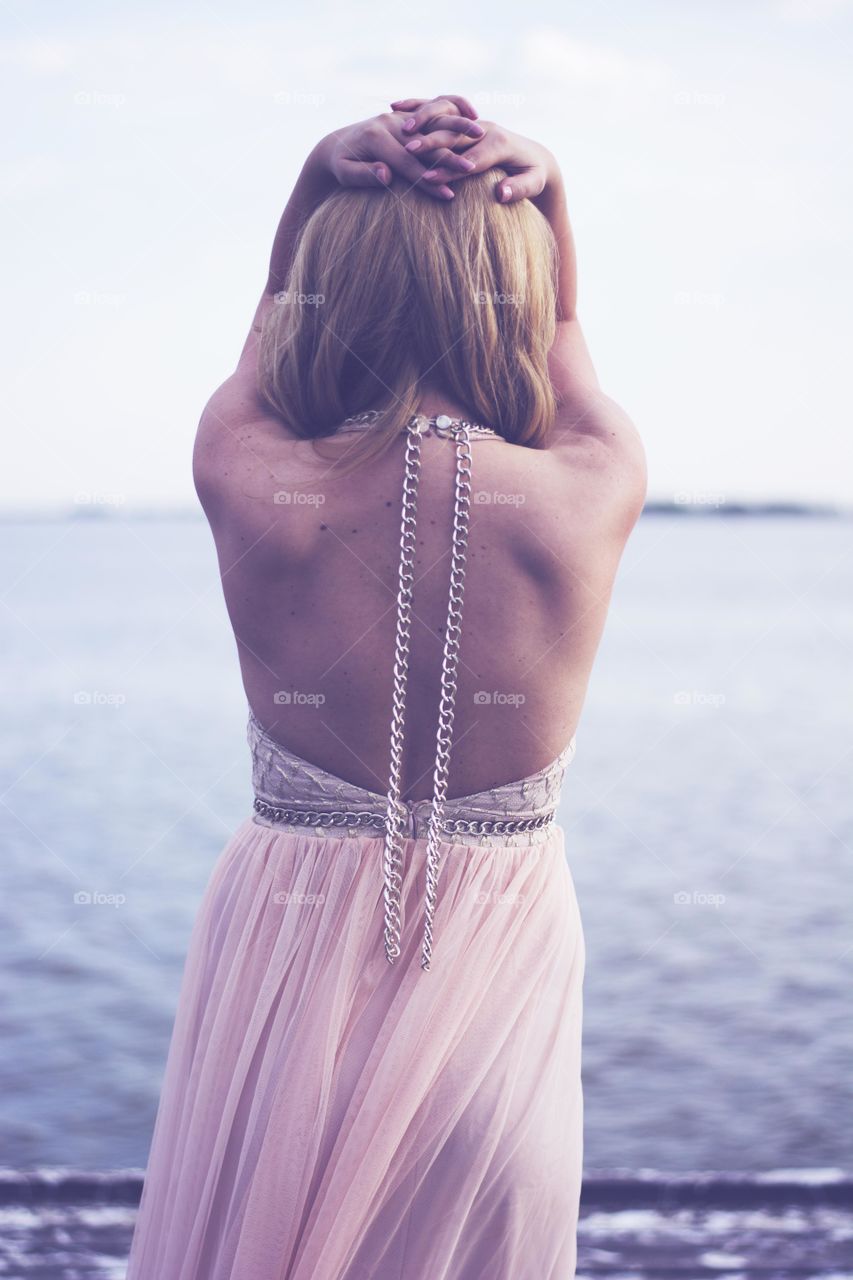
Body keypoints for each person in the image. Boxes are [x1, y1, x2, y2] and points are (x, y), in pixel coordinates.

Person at [125, 93, 647, 1280]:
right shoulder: (589, 482)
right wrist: (548, 190)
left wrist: (315, 180)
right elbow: (562, 327)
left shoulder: (249, 467)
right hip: (496, 948)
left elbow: (268, 337)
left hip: (289, 936)